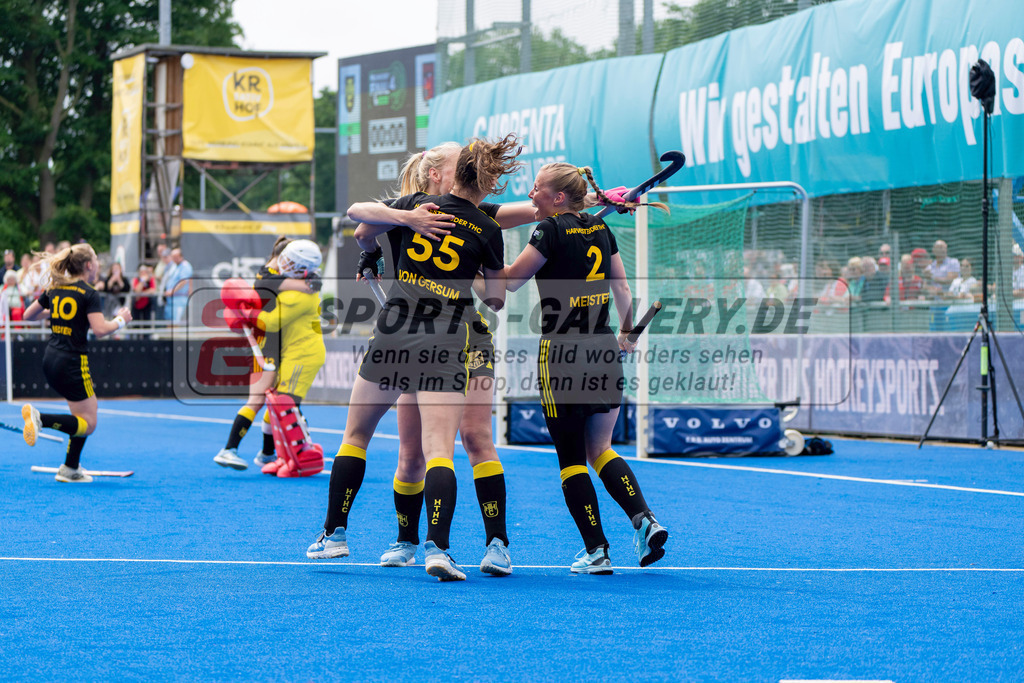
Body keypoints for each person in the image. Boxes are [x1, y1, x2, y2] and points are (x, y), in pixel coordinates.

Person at [310, 134, 521, 582]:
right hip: (445, 335)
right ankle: (436, 548)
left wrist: (395, 230)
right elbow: (498, 298)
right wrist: (480, 275)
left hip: (395, 329)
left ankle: (334, 534)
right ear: (484, 182)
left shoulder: (419, 205)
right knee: (438, 450)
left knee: (356, 436)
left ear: (452, 175)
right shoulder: (486, 228)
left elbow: (360, 222)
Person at [503, 162, 670, 574]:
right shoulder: (601, 228)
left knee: (571, 457)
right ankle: (644, 519)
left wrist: (473, 255)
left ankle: (597, 550)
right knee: (601, 449)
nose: (530, 196)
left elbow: (508, 282)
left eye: (536, 189)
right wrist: (629, 334)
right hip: (602, 345)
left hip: (560, 350)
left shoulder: (548, 230)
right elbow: (623, 288)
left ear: (559, 197)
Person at [20, 244, 133, 482]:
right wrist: (121, 320)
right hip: (72, 362)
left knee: (79, 417)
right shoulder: (89, 293)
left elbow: (27, 315)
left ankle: (70, 468)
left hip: (50, 359)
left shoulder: (56, 288)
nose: (98, 266)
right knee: (89, 423)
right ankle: (41, 419)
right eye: (96, 262)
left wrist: (57, 313)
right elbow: (101, 330)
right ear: (89, 265)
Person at [214, 238, 326, 475]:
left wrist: (311, 282)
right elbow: (271, 294)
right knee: (266, 401)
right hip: (268, 348)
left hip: (283, 349)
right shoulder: (269, 276)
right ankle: (238, 450)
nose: (282, 265)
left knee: (279, 402)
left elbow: (275, 316)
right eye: (282, 259)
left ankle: (268, 453)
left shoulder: (286, 279)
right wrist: (310, 283)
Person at [162, 248, 193, 321]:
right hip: (171, 299)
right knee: (169, 321)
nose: (174, 259)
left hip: (179, 298)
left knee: (176, 322)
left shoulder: (185, 266)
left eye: (175, 257)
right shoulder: (175, 266)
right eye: (173, 257)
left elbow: (183, 281)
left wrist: (172, 291)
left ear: (180, 256)